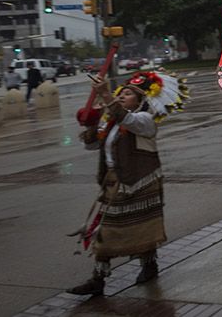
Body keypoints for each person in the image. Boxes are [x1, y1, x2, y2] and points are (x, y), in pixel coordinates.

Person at [67, 70, 189, 296]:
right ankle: (98, 279)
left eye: (129, 94)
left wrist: (106, 95)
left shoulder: (145, 120)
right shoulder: (112, 121)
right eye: (121, 92)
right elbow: (92, 147)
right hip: (114, 181)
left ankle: (149, 264)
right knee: (105, 230)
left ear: (141, 100)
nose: (123, 95)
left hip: (139, 181)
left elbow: (128, 119)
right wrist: (91, 124)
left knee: (142, 227)